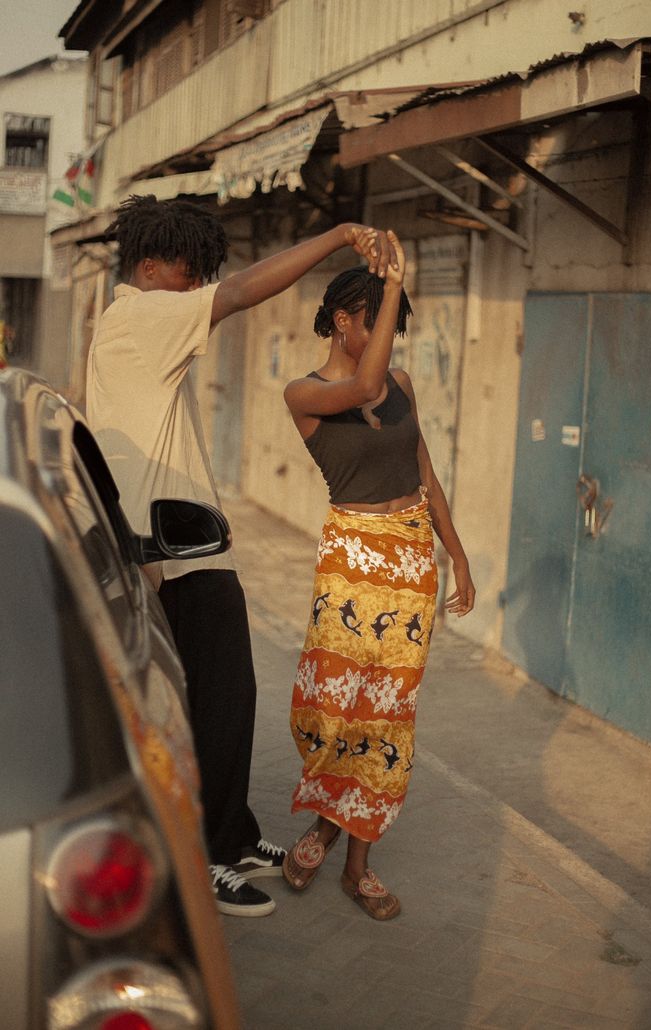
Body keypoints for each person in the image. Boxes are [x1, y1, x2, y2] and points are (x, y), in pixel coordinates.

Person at [85, 194, 398, 917]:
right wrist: (338, 236)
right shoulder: (139, 314)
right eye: (187, 273)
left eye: (200, 276)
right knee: (208, 710)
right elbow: (240, 292)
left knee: (227, 703)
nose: (197, 289)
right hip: (170, 554)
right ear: (151, 264)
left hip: (188, 544)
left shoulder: (134, 323)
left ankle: (232, 832)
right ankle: (210, 856)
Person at [282, 230, 475, 920]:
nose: (392, 345)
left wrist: (456, 553)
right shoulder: (304, 393)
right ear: (344, 321)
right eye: (381, 323)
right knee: (334, 712)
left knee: (388, 716)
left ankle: (356, 862)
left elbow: (423, 472)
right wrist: (393, 279)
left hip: (411, 560)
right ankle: (325, 820)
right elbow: (361, 383)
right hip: (352, 561)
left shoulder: (400, 385)